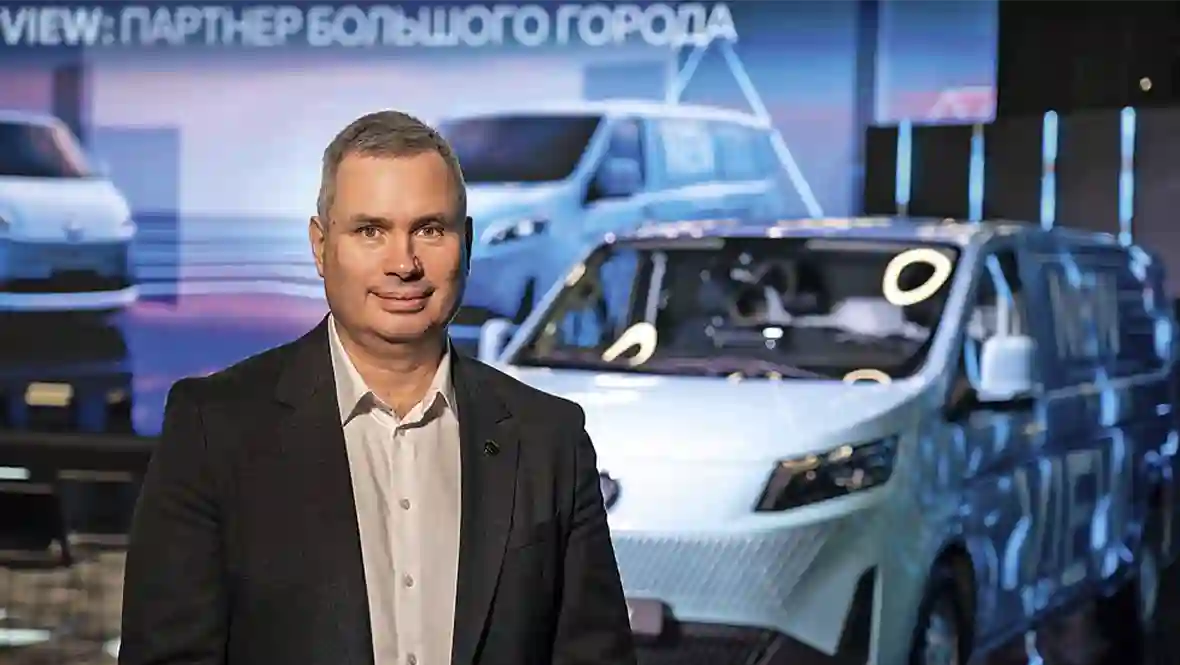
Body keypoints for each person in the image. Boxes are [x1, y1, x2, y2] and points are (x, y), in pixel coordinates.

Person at [119, 111, 638, 665]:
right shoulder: (214, 430)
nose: (404, 264)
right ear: (321, 246)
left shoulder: (549, 439)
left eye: (430, 229)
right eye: (371, 231)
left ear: (466, 242)